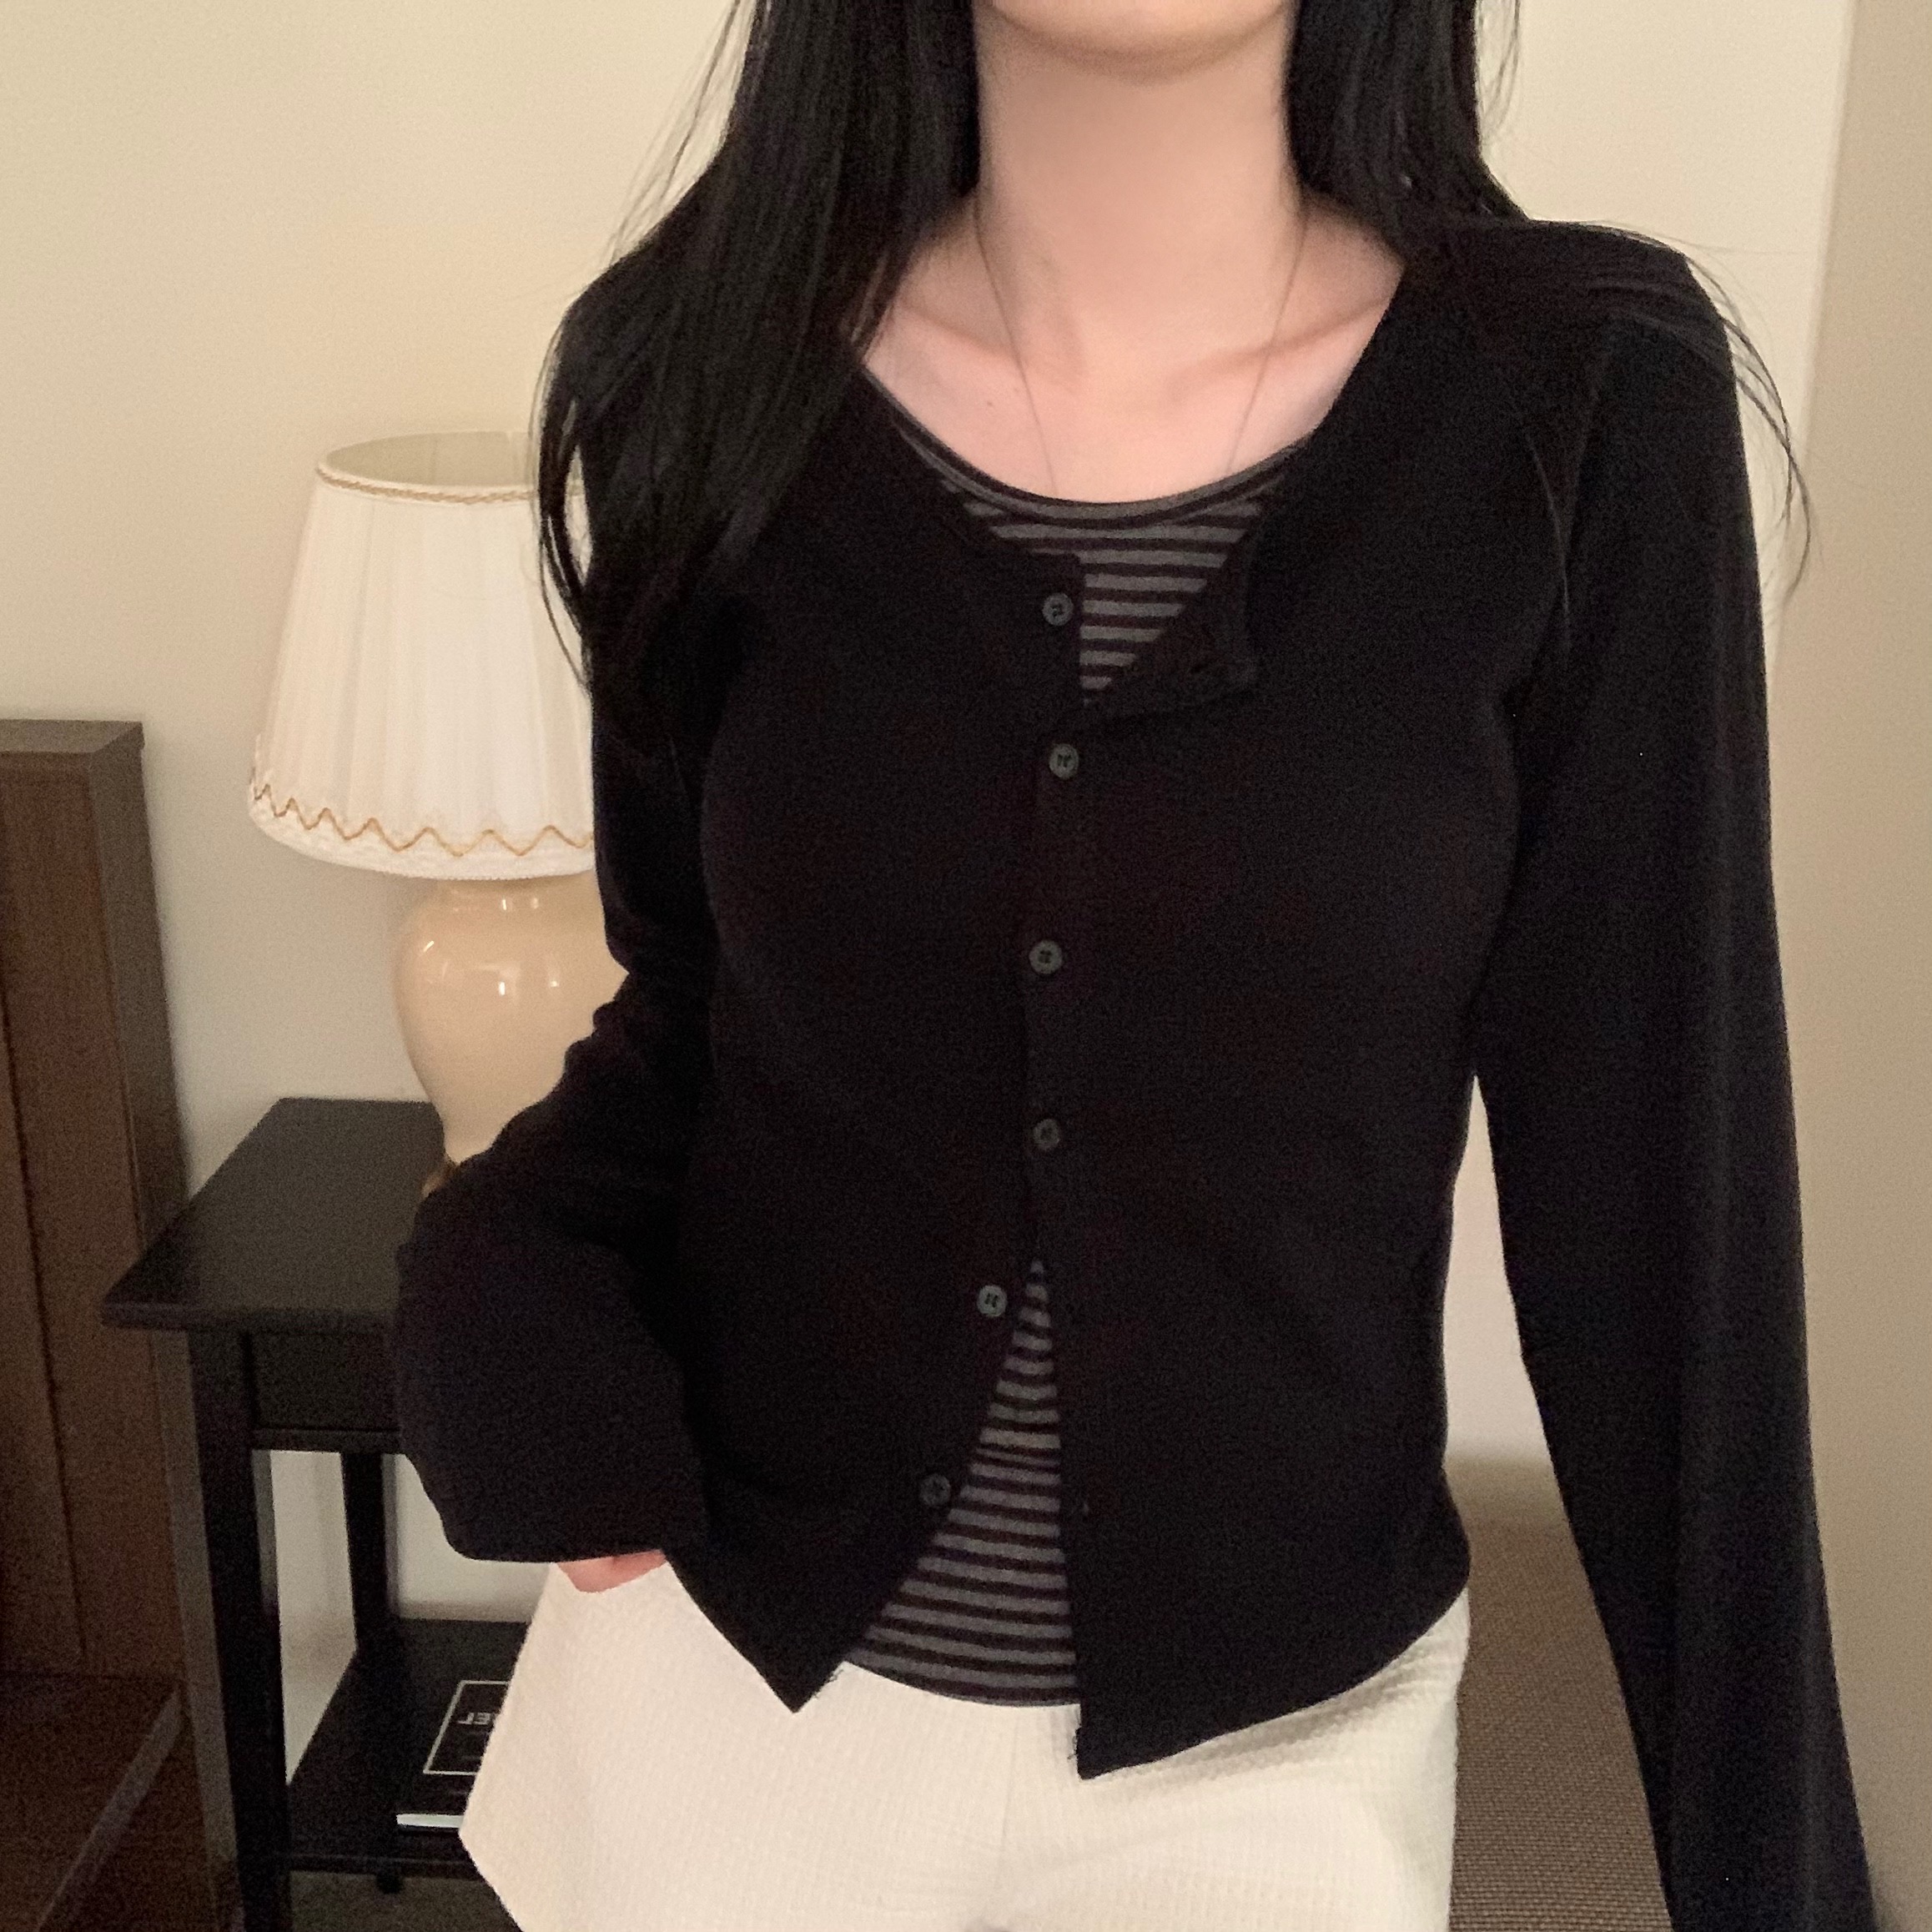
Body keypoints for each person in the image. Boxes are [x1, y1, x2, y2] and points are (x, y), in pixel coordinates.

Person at [390, 2, 1878, 1929]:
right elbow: (694, 1003)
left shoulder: (1582, 407)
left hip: (1272, 1756)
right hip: (722, 1692)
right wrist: (492, 1270)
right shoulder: (686, 371)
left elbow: (1666, 1212)